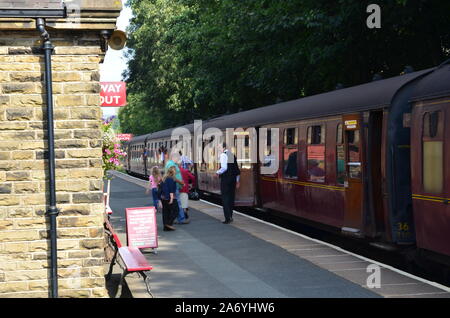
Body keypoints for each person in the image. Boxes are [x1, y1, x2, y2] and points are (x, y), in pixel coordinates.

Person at [216, 142, 240, 224]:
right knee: (231, 198)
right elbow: (237, 170)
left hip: (225, 179)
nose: (218, 149)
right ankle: (231, 216)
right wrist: (237, 181)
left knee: (225, 198)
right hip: (233, 180)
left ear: (223, 147)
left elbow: (224, 168)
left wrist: (217, 172)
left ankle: (227, 218)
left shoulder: (223, 155)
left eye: (219, 147)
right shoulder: (232, 155)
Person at [165, 153, 190, 224]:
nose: (179, 160)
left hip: (175, 186)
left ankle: (177, 218)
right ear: (175, 158)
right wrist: (181, 182)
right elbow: (173, 176)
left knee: (176, 203)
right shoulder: (171, 165)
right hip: (174, 186)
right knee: (178, 203)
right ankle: (181, 219)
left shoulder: (172, 164)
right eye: (178, 159)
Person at [159, 166, 178, 231]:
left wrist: (159, 199)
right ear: (173, 172)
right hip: (169, 198)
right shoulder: (171, 179)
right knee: (176, 211)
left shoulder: (164, 178)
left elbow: (160, 188)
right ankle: (169, 224)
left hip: (163, 198)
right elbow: (171, 190)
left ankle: (166, 227)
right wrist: (172, 199)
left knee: (165, 212)